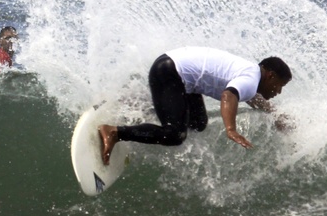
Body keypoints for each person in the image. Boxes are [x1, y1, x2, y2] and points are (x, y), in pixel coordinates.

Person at [98, 47, 292, 164]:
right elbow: (229, 95)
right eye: (279, 86)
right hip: (170, 72)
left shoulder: (251, 75)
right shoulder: (250, 79)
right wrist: (231, 130)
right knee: (175, 134)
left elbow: (251, 97)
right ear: (270, 76)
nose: (278, 91)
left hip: (178, 72)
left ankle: (141, 103)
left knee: (198, 123)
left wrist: (275, 115)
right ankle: (115, 132)